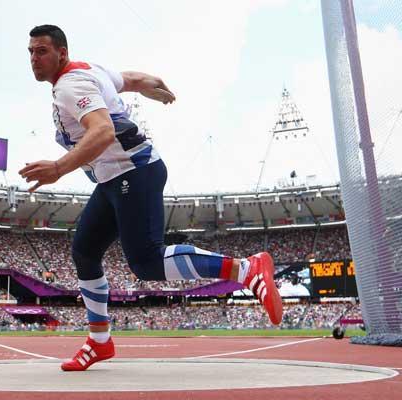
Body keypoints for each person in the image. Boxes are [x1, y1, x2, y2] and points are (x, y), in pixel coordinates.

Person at [20, 24, 283, 372]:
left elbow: (103, 131)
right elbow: (128, 79)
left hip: (133, 172)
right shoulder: (90, 70)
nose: (34, 59)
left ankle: (247, 269)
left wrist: (58, 168)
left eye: (41, 51)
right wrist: (151, 84)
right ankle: (99, 341)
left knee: (146, 262)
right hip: (114, 178)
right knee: (84, 251)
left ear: (61, 53)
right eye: (31, 52)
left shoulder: (72, 85)